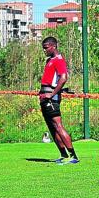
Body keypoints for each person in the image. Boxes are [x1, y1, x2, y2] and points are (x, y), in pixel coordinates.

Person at [39, 36, 78, 165]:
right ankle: (63, 155)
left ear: (53, 46)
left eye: (46, 48)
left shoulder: (59, 60)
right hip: (44, 96)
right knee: (52, 128)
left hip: (51, 98)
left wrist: (52, 94)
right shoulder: (49, 60)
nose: (44, 50)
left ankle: (73, 156)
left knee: (58, 126)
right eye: (43, 48)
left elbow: (64, 77)